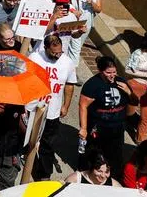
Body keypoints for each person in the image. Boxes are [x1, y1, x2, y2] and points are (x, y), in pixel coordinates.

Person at [28, 33, 78, 180]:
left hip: (52, 112)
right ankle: (27, 161)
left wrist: (66, 105)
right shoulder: (35, 58)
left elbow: (69, 85)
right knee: (29, 139)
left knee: (48, 144)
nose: (58, 55)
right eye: (54, 53)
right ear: (45, 48)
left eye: (60, 52)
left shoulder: (67, 62)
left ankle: (44, 174)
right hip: (33, 108)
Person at [78, 55, 131, 174]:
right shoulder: (92, 85)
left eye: (114, 72)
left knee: (115, 156)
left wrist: (128, 91)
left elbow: (134, 102)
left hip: (117, 128)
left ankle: (112, 176)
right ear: (100, 71)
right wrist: (84, 128)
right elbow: (83, 106)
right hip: (98, 127)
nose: (112, 75)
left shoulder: (121, 82)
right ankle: (87, 174)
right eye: (108, 73)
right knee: (94, 154)